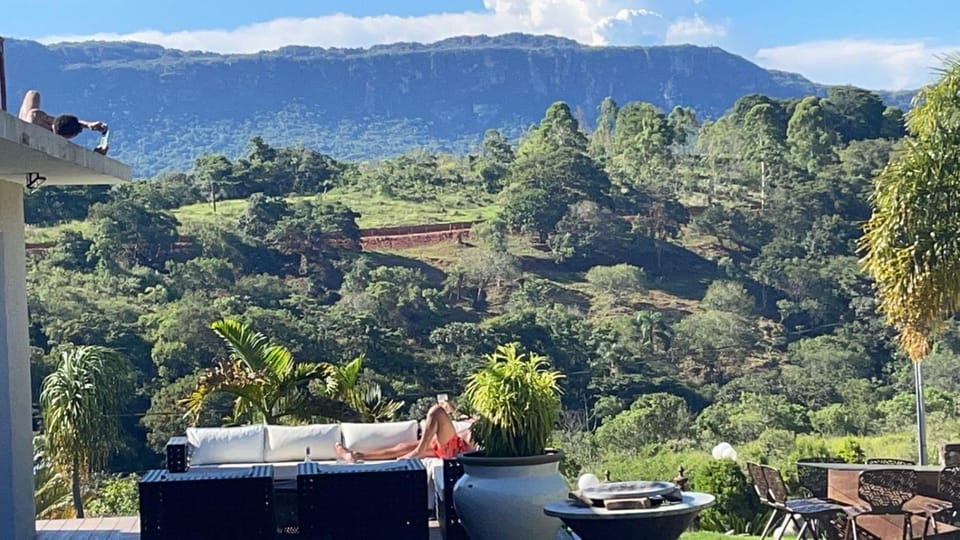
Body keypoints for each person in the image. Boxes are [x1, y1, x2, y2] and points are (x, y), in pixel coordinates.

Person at [334, 399, 475, 462]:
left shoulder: (491, 429)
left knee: (436, 411)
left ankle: (419, 451)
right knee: (399, 448)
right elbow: (467, 418)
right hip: (446, 443)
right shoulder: (480, 420)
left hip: (456, 447)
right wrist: (453, 410)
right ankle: (354, 456)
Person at [17, 90, 109, 154]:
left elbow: (58, 122)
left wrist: (88, 125)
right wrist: (97, 155)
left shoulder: (36, 115)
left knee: (34, 94)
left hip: (27, 126)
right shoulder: (53, 144)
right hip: (26, 140)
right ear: (68, 136)